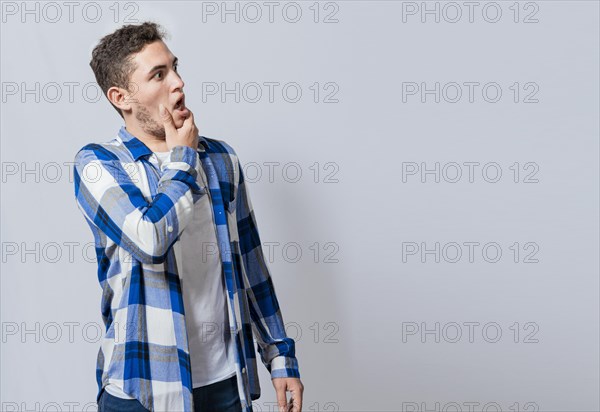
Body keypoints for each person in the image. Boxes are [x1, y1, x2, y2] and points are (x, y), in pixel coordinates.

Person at [73, 21, 303, 412]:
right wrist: (182, 161)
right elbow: (150, 240)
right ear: (121, 97)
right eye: (158, 75)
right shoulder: (98, 165)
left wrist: (280, 357)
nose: (178, 83)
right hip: (142, 389)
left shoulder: (221, 159)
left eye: (175, 67)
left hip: (226, 385)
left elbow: (252, 266)